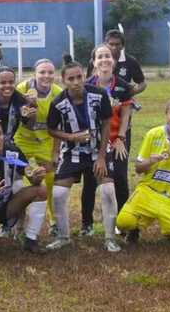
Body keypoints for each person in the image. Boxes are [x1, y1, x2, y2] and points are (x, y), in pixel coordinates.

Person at [46, 55, 120, 252]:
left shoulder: (99, 94)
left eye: (79, 77)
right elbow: (51, 129)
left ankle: (110, 238)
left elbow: (106, 123)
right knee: (59, 193)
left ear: (84, 76)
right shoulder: (57, 103)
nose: (76, 82)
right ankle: (63, 236)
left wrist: (103, 156)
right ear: (63, 81)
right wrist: (71, 138)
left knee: (107, 191)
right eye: (71, 79)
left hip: (99, 150)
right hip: (73, 152)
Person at [116, 99, 170, 251]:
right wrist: (151, 160)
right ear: (166, 115)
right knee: (124, 222)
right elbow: (138, 168)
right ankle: (134, 229)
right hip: (149, 193)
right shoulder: (153, 135)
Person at [0, 117, 48, 252]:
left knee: (41, 190)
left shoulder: (13, 152)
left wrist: (37, 176)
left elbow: (31, 178)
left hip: (7, 206)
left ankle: (31, 239)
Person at [80, 45, 134, 236]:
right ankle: (86, 224)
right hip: (94, 140)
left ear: (113, 60)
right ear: (94, 62)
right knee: (90, 181)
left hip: (117, 138)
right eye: (100, 56)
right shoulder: (86, 85)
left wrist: (120, 138)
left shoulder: (123, 86)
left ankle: (122, 221)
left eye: (108, 56)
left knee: (119, 178)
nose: (104, 59)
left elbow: (126, 115)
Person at [14, 59, 62, 237]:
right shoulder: (22, 88)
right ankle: (16, 221)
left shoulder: (58, 93)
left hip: (45, 141)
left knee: (49, 179)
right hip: (22, 139)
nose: (46, 76)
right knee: (16, 179)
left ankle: (53, 221)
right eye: (42, 72)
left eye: (50, 72)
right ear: (34, 73)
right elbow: (17, 116)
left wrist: (56, 151)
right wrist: (28, 106)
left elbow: (60, 126)